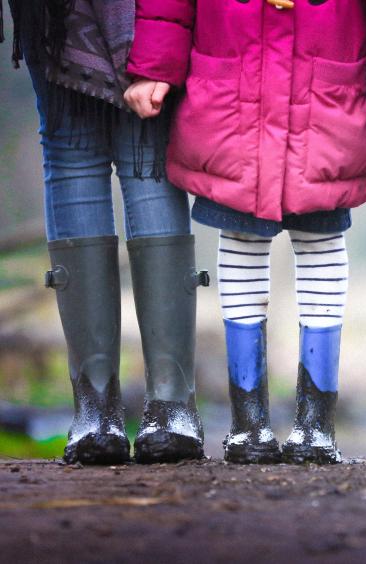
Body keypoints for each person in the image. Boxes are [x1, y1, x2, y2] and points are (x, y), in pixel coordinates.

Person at [124, 0, 366, 465]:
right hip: (231, 99)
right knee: (240, 241)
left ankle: (316, 424)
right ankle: (248, 423)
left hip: (324, 100)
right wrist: (155, 64)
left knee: (320, 245)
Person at [5, 0, 208, 464]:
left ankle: (143, 405)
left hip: (128, 16)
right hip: (59, 18)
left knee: (127, 154)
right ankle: (123, 408)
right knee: (92, 152)